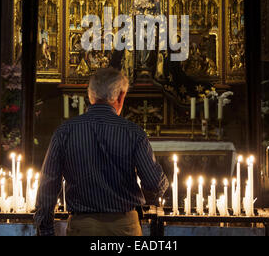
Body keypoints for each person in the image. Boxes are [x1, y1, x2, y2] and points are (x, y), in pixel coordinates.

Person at [34, 67, 169, 236]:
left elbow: (48, 186)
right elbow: (155, 184)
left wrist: (45, 230)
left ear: (91, 96)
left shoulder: (65, 131)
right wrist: (162, 184)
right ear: (121, 96)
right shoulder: (133, 132)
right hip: (124, 227)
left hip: (82, 227)